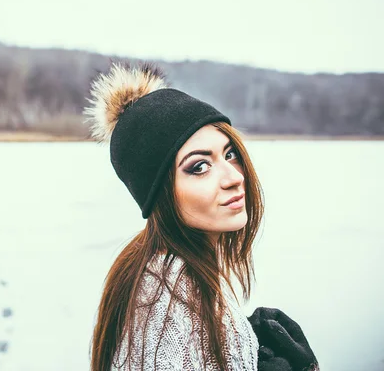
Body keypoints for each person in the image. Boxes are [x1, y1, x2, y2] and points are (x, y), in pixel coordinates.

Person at [84, 63, 318, 371]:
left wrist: (241, 347)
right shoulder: (168, 301)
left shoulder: (170, 272)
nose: (233, 176)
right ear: (160, 194)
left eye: (229, 153)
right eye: (199, 167)